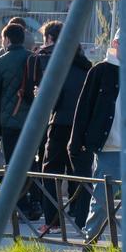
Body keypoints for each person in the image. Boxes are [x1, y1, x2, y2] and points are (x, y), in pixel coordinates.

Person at [72, 35, 126, 236]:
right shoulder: (99, 71)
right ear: (115, 44)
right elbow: (84, 107)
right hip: (108, 147)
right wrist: (75, 143)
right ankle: (90, 241)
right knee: (101, 201)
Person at [32, 22, 92, 234]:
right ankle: (83, 220)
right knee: (82, 174)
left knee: (51, 172)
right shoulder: (88, 68)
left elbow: (53, 100)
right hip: (82, 127)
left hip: (59, 123)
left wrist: (40, 95)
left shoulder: (56, 67)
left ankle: (53, 221)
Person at [0, 22, 35, 177]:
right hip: (33, 119)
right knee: (30, 161)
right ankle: (33, 190)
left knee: (12, 161)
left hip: (10, 119)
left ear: (7, 39)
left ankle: (15, 191)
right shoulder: (33, 58)